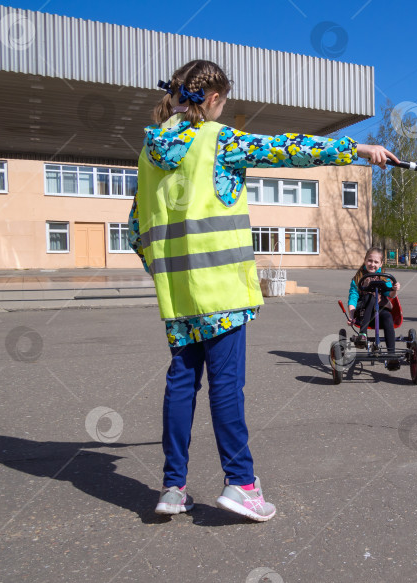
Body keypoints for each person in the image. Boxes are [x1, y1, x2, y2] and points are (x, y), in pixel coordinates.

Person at [127, 60, 398, 521]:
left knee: (181, 384)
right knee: (227, 387)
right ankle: (240, 483)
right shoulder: (219, 140)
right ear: (212, 100)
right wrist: (358, 148)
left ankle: (173, 487)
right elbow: (290, 148)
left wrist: (165, 273)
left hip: (178, 297)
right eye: (224, 103)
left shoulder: (148, 154)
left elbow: (137, 229)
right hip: (224, 293)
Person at [347, 247, 401, 368]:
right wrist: (351, 315)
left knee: (387, 316)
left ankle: (391, 355)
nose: (372, 264)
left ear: (381, 264)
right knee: (370, 298)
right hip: (363, 312)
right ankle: (363, 334)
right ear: (365, 261)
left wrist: (394, 289)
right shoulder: (358, 279)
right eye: (370, 261)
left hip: (379, 312)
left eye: (376, 262)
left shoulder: (384, 278)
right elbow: (353, 298)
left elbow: (390, 295)